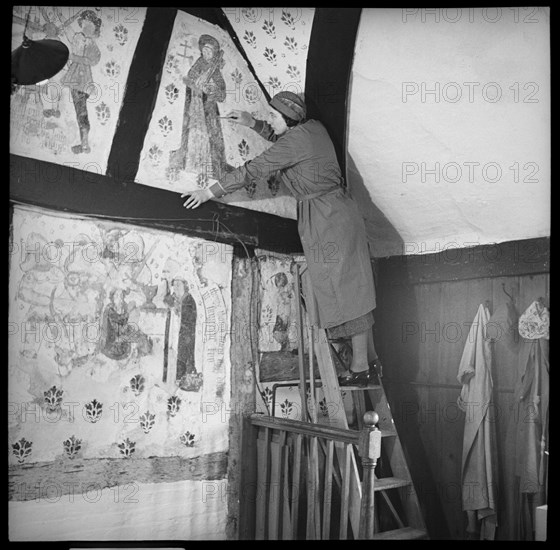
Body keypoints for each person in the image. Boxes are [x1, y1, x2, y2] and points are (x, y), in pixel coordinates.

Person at [182, 91, 382, 386]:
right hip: (337, 212)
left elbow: (255, 168)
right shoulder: (312, 130)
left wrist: (209, 192)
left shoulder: (296, 139)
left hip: (328, 218)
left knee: (347, 289)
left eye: (274, 116)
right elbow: (284, 144)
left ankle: (361, 367)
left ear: (289, 119)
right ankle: (371, 362)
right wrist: (254, 123)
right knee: (354, 286)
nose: (271, 120)